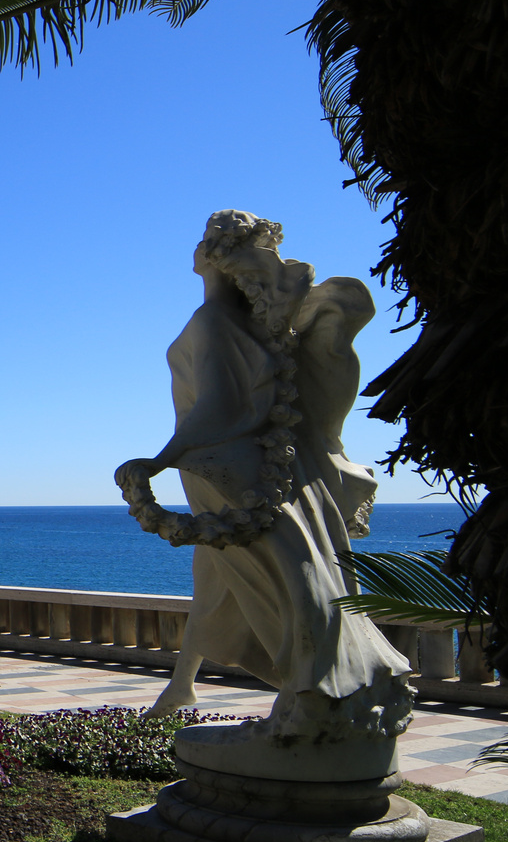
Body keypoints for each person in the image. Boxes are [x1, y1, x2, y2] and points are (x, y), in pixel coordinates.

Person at [116, 209, 412, 745]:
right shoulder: (243, 324)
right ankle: (184, 687)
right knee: (221, 579)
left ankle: (319, 700)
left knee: (292, 585)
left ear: (217, 255)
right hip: (233, 467)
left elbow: (221, 404)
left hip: (232, 471)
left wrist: (159, 459)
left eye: (205, 239)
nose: (196, 247)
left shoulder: (213, 322)